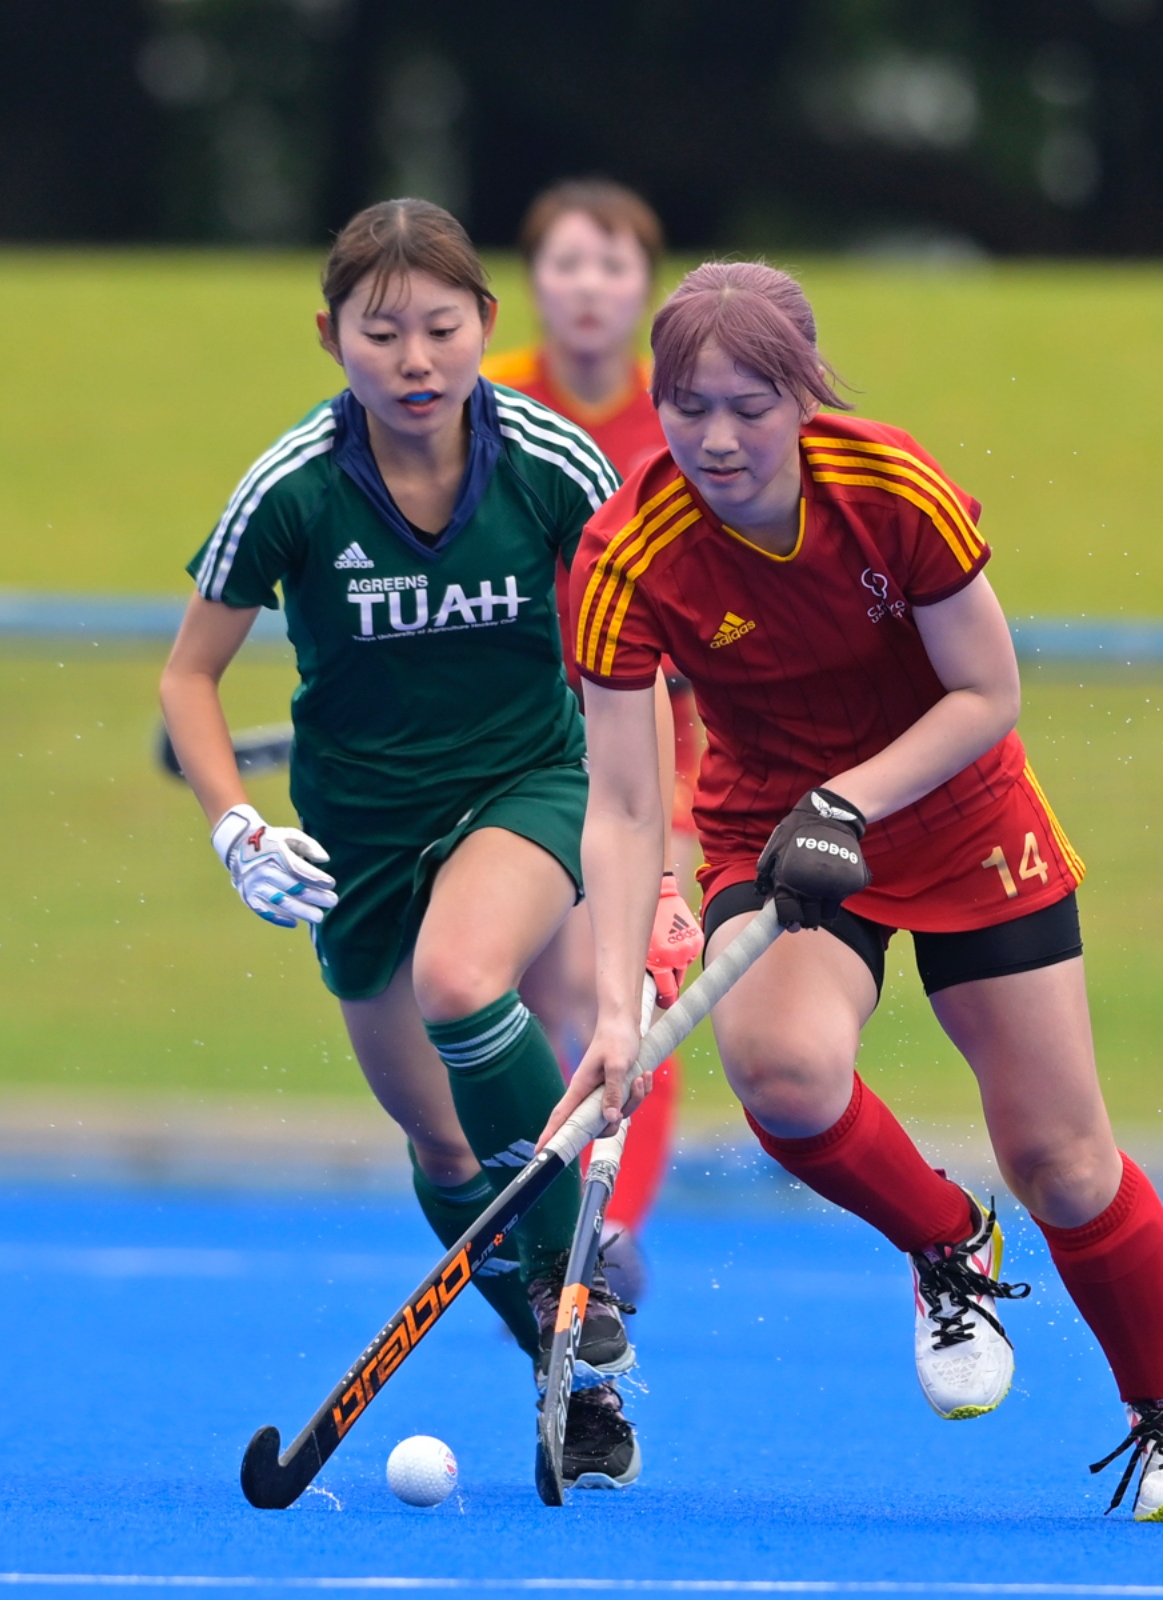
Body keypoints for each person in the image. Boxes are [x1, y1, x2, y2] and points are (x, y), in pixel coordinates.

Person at [550, 261, 1163, 1521]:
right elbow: (626, 803)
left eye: (750, 406)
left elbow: (989, 692)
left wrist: (851, 801)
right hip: (772, 828)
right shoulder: (624, 551)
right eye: (688, 406)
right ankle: (946, 1242)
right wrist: (609, 1005)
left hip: (961, 813)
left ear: (805, 394)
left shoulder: (890, 489)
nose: (716, 438)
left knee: (1061, 1161)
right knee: (783, 1072)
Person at [159, 198, 640, 1489]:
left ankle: (575, 1267)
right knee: (442, 1149)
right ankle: (568, 1369)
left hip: (523, 785)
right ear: (331, 338)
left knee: (462, 983)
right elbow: (188, 680)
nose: (415, 359)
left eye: (440, 328)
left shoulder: (552, 462)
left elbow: (641, 644)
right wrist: (236, 825)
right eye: (381, 334)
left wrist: (658, 835)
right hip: (359, 838)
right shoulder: (293, 486)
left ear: (486, 322)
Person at [483, 179, 700, 1302]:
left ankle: (607, 1234)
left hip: (656, 728)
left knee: (619, 977)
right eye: (566, 263)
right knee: (511, 990)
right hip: (518, 732)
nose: (588, 288)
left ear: (644, 288)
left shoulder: (690, 414)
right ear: (532, 282)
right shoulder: (482, 403)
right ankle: (540, 1214)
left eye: (612, 266)